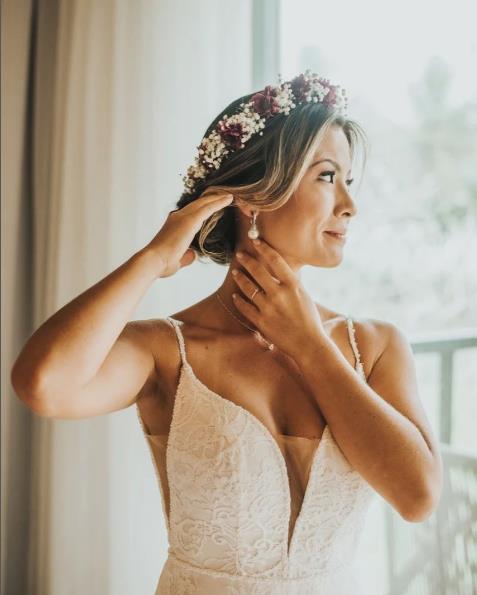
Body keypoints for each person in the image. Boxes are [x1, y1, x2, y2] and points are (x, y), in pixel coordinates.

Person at [11, 70, 443, 594]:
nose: (350, 206)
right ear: (254, 197)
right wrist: (152, 259)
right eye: (328, 177)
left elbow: (417, 497)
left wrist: (309, 346)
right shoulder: (167, 351)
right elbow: (44, 384)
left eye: (350, 182)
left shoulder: (375, 346)